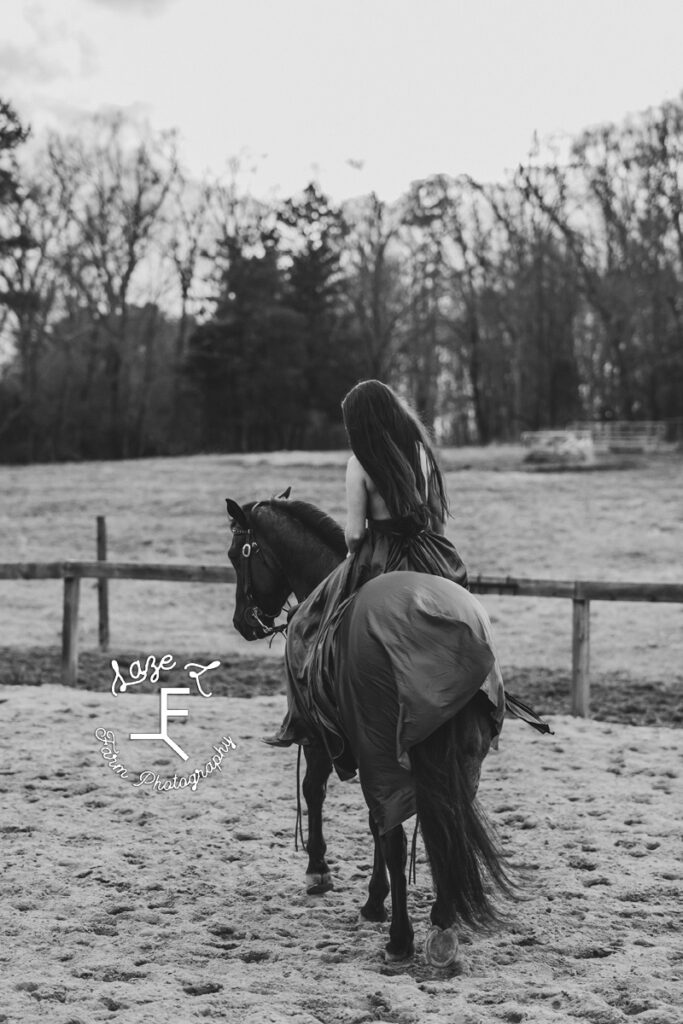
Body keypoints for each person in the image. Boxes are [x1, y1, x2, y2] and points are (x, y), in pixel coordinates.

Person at [268, 379, 477, 762]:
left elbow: (354, 533)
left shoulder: (359, 463)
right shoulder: (422, 453)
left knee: (303, 624)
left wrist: (352, 556)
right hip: (428, 552)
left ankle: (306, 723)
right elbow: (437, 522)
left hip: (379, 557)